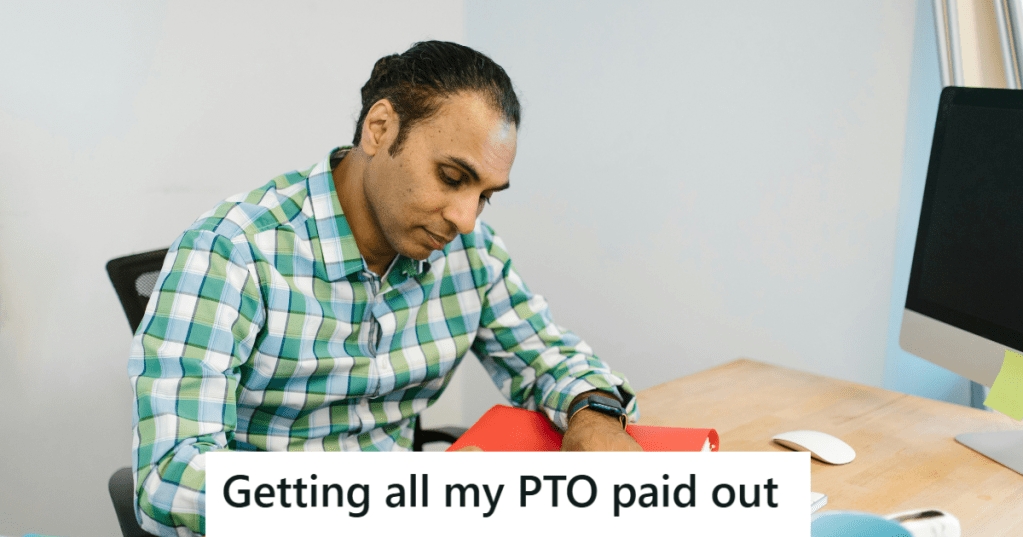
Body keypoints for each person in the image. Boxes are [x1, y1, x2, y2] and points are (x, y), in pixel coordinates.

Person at [129, 40, 640, 537]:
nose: (465, 218)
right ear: (380, 129)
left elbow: (546, 355)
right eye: (451, 176)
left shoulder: (467, 248)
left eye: (485, 195)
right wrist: (386, 498)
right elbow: (169, 480)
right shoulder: (232, 253)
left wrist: (594, 411)